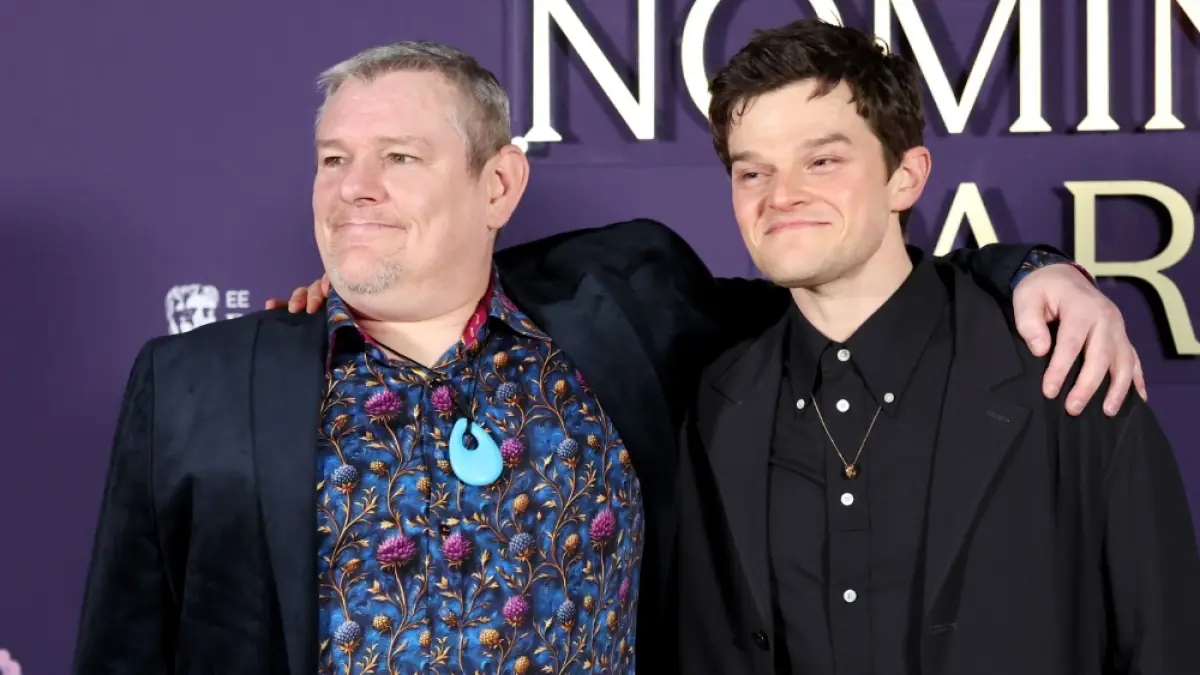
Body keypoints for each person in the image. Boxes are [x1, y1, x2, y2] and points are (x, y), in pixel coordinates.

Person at [75, 41, 1140, 675]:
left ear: (499, 186)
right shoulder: (201, 385)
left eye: (398, 157)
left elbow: (846, 285)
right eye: (334, 159)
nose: (355, 188)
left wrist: (1026, 267)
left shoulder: (627, 304)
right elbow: (125, 648)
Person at [673, 19, 1200, 675]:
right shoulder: (717, 405)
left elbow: (1166, 640)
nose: (780, 196)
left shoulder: (1068, 371)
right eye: (753, 171)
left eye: (822, 161)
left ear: (906, 177)